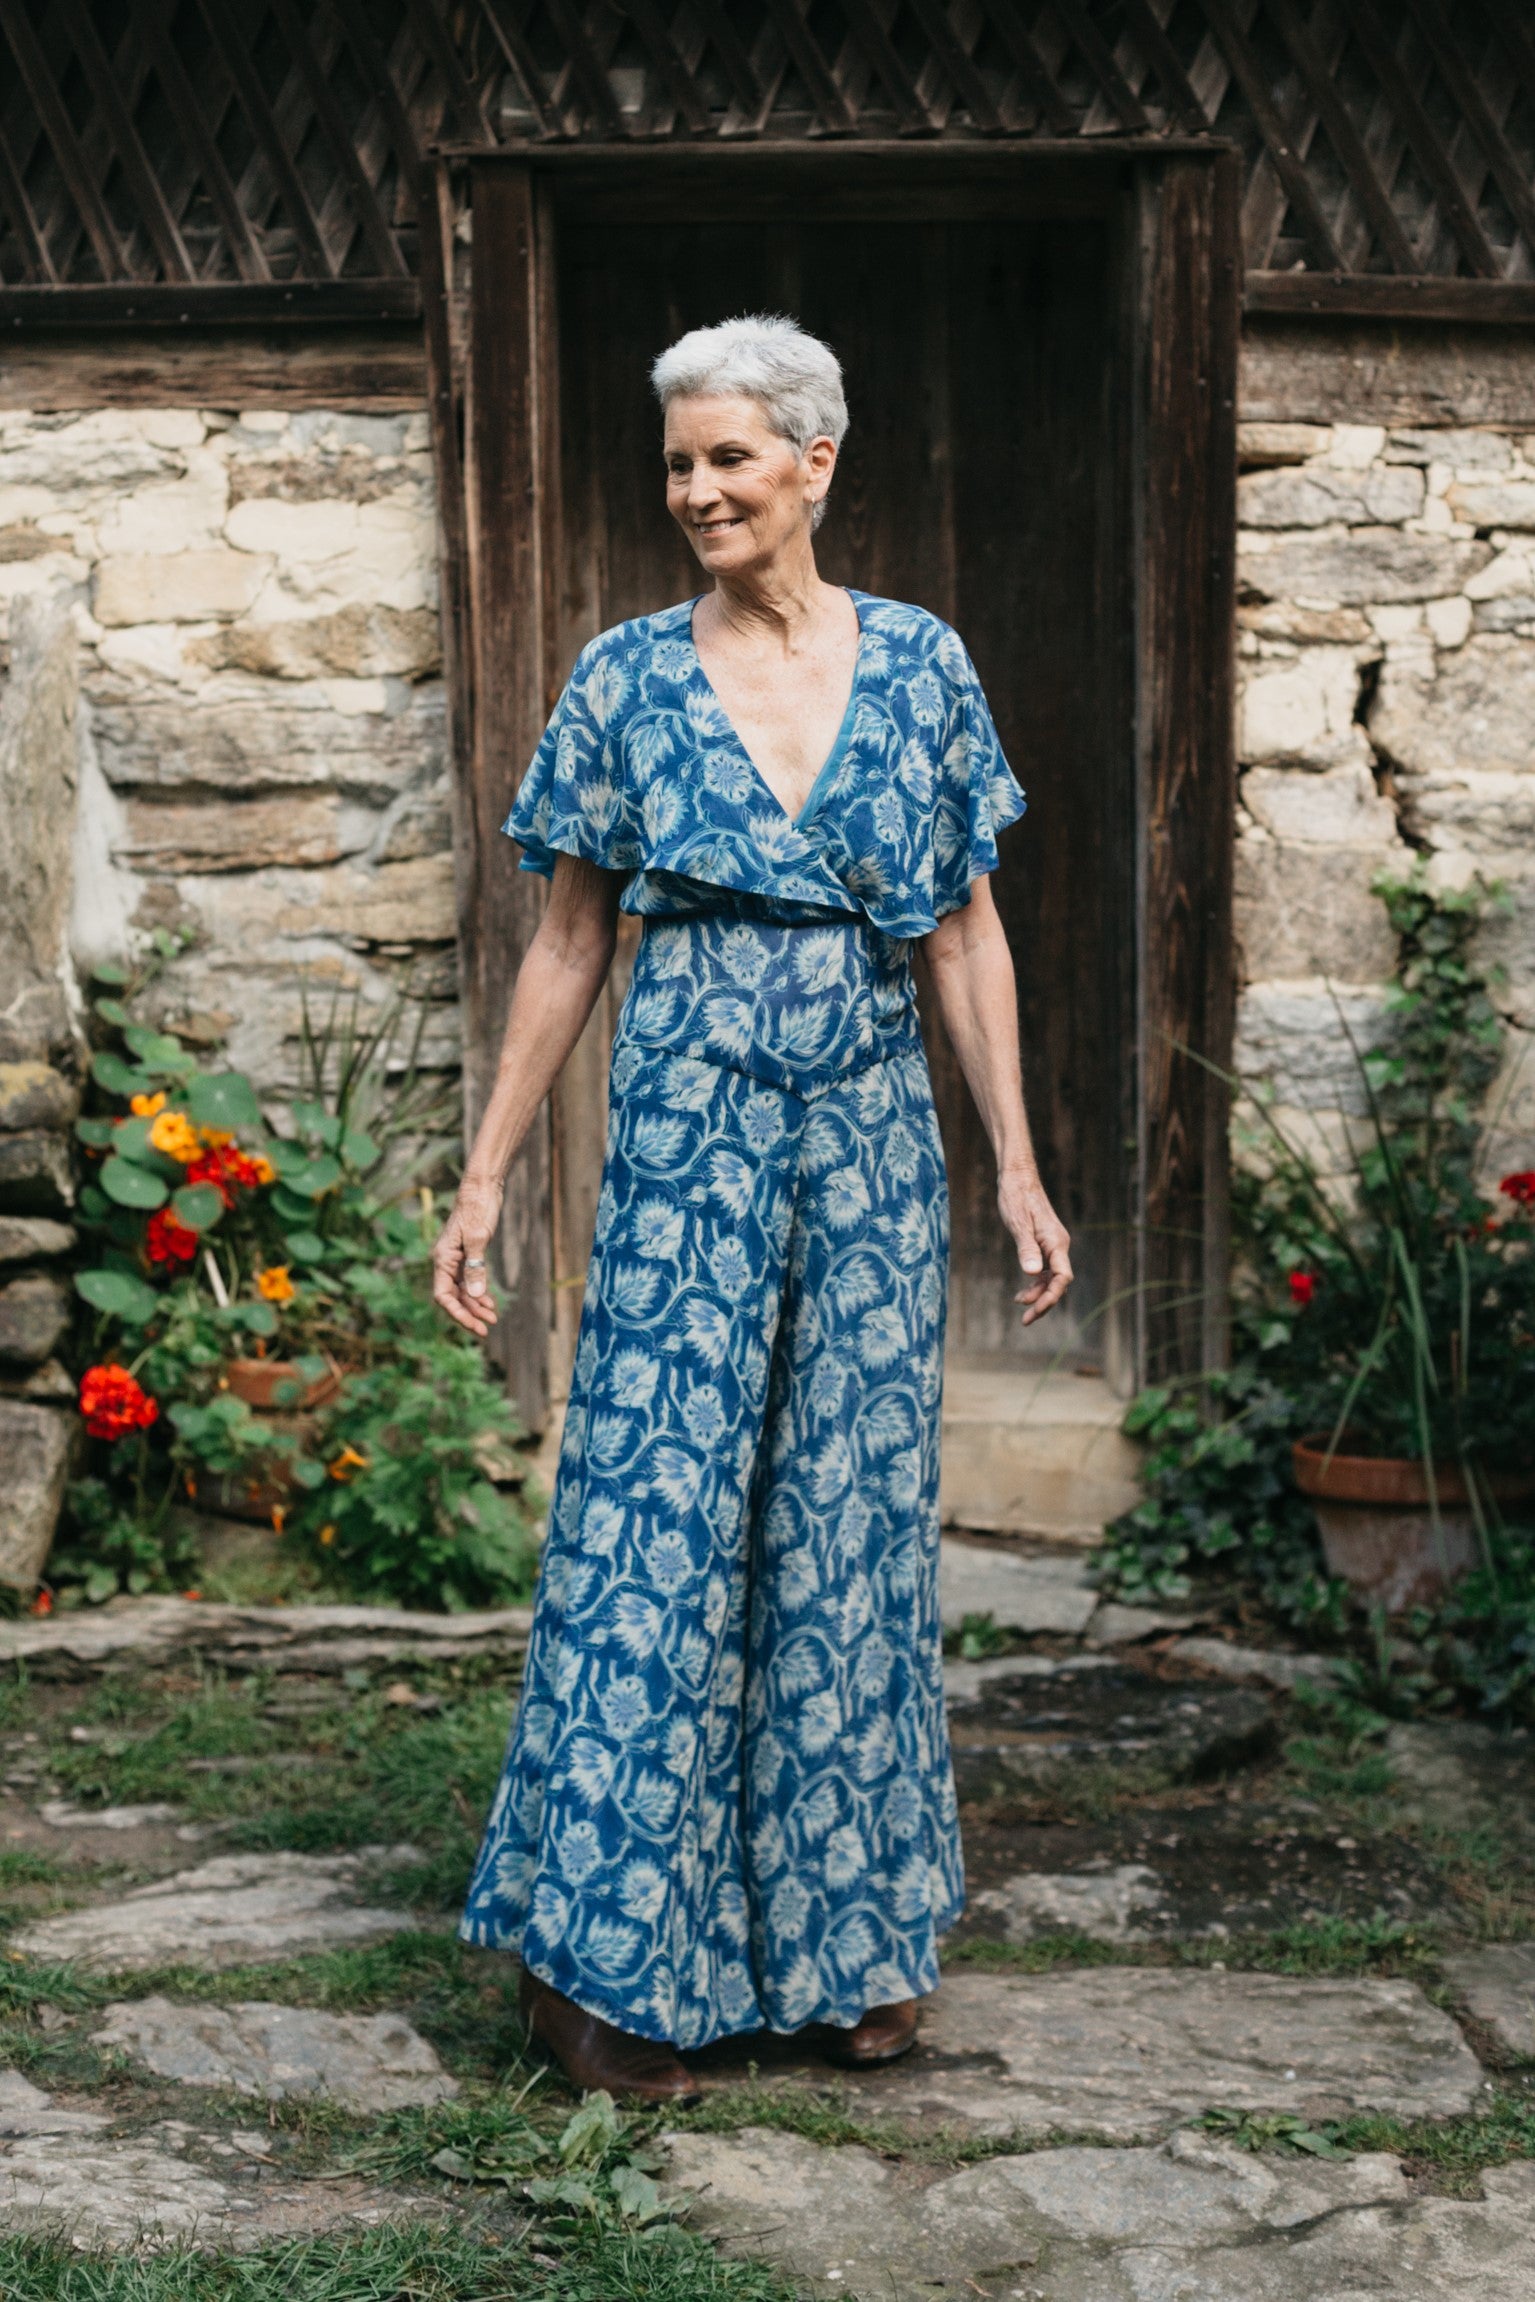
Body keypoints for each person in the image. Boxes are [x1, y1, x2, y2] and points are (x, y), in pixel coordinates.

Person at [435, 315, 1072, 2105]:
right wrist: (485, 1172)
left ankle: (846, 1944)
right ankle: (607, 1967)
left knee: (848, 1525)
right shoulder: (626, 677)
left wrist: (1015, 1162)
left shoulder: (926, 667)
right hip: (690, 1137)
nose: (697, 490)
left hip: (872, 1150)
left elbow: (963, 930)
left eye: (729, 457)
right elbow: (570, 938)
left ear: (815, 462)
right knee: (655, 1517)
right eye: (678, 464)